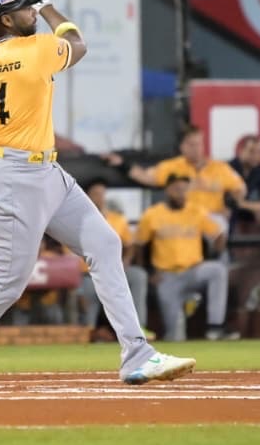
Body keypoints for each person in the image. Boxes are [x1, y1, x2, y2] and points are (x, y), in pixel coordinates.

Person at [0, 0, 194, 385]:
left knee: (105, 244)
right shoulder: (36, 48)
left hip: (44, 171)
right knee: (8, 282)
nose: (32, 10)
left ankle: (137, 355)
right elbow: (78, 44)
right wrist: (51, 5)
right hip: (16, 175)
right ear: (4, 19)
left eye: (32, 5)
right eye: (23, 6)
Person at [135, 174, 234, 342]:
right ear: (167, 190)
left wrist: (216, 246)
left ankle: (215, 327)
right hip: (167, 278)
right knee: (175, 335)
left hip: (193, 271)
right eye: (176, 189)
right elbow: (139, 246)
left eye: (183, 189)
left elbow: (218, 236)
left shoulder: (196, 211)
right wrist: (149, 272)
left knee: (217, 270)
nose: (180, 193)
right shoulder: (152, 214)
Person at [107, 125, 246, 227]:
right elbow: (145, 176)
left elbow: (240, 188)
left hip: (212, 217)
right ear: (182, 146)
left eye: (199, 144)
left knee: (217, 226)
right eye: (191, 144)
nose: (196, 148)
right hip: (182, 221)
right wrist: (122, 164)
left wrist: (230, 204)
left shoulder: (220, 168)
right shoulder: (172, 167)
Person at [77, 177, 149, 332]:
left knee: (138, 275)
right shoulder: (75, 220)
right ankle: (87, 331)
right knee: (88, 289)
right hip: (87, 274)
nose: (100, 198)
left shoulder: (118, 219)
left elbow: (129, 245)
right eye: (95, 194)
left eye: (102, 194)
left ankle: (139, 327)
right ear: (86, 196)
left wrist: (127, 259)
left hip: (114, 269)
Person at [228, 133, 260, 231]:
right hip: (231, 210)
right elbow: (228, 200)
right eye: (251, 151)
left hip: (250, 210)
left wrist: (243, 204)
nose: (256, 156)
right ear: (241, 151)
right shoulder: (228, 168)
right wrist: (246, 205)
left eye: (259, 152)